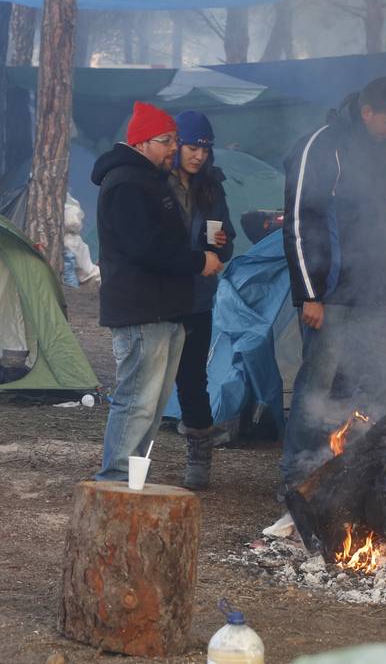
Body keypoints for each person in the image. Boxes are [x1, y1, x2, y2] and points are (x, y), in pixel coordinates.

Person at [279, 77, 386, 496]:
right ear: (368, 111)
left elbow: (369, 217)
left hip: (372, 293)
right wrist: (309, 294)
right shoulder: (319, 146)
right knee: (316, 385)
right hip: (330, 293)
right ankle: (299, 477)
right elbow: (299, 224)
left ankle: (352, 464)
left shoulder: (378, 153)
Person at [91, 101, 224, 484]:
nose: (172, 149)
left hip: (166, 310)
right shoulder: (126, 184)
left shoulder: (147, 179)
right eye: (166, 141)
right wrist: (198, 262)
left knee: (149, 408)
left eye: (173, 141)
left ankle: (131, 482)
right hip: (140, 312)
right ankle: (115, 482)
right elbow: (146, 248)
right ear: (143, 141)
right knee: (137, 403)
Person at [169, 110, 235, 490]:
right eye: (193, 147)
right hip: (161, 296)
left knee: (192, 378)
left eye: (205, 149)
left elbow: (224, 247)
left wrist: (222, 242)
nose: (199, 156)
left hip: (197, 296)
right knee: (152, 378)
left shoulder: (213, 187)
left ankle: (199, 457)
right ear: (178, 144)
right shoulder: (159, 183)